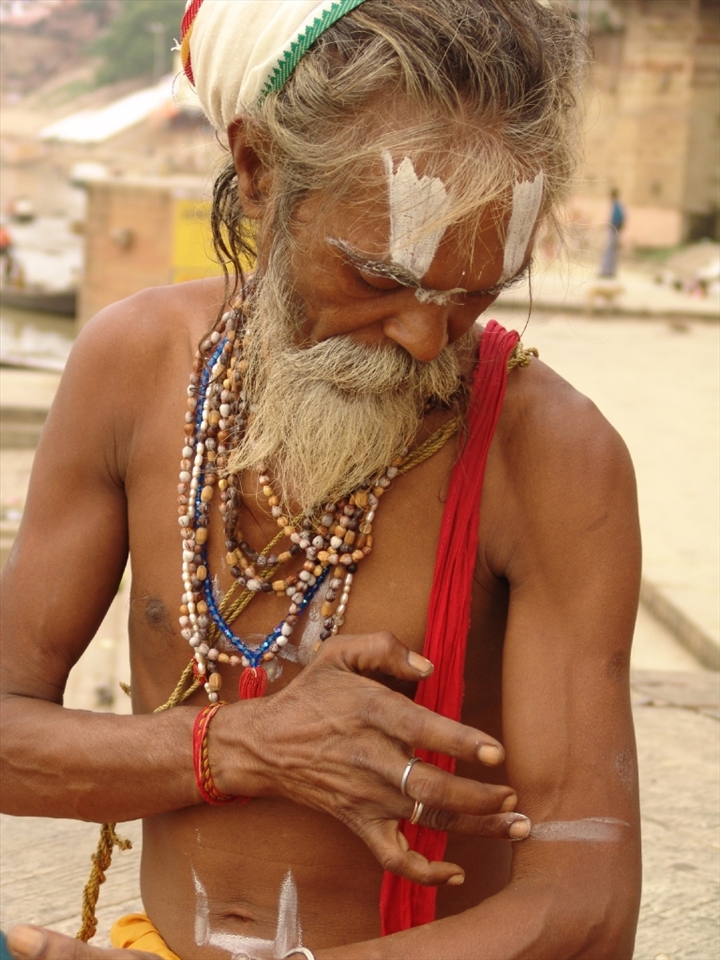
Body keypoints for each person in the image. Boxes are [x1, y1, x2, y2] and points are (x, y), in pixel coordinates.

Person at [0, 2, 643, 958]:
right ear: (259, 173)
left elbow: (584, 910)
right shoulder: (131, 368)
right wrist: (241, 746)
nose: (428, 339)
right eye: (381, 276)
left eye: (475, 291)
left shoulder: (550, 454)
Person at [598, 188, 626, 278]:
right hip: (615, 230)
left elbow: (618, 219)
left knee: (609, 251)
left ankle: (606, 271)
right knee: (612, 251)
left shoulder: (617, 206)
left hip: (614, 230)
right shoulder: (617, 205)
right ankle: (610, 271)